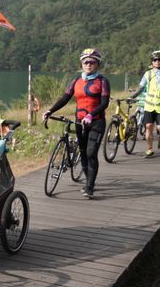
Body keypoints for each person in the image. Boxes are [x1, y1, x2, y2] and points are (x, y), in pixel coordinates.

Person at [43, 48, 110, 199]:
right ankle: (88, 181)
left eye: (92, 62)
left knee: (91, 153)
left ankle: (90, 186)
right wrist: (50, 110)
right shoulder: (76, 80)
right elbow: (64, 98)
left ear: (97, 64)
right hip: (80, 121)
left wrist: (91, 115)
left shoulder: (103, 81)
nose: (88, 64)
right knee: (83, 151)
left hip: (96, 122)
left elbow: (104, 103)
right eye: (86, 62)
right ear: (82, 63)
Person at [129, 50, 160, 157]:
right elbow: (141, 88)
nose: (157, 62)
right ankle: (149, 149)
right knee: (149, 126)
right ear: (152, 62)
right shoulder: (148, 73)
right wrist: (132, 97)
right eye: (155, 60)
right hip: (149, 106)